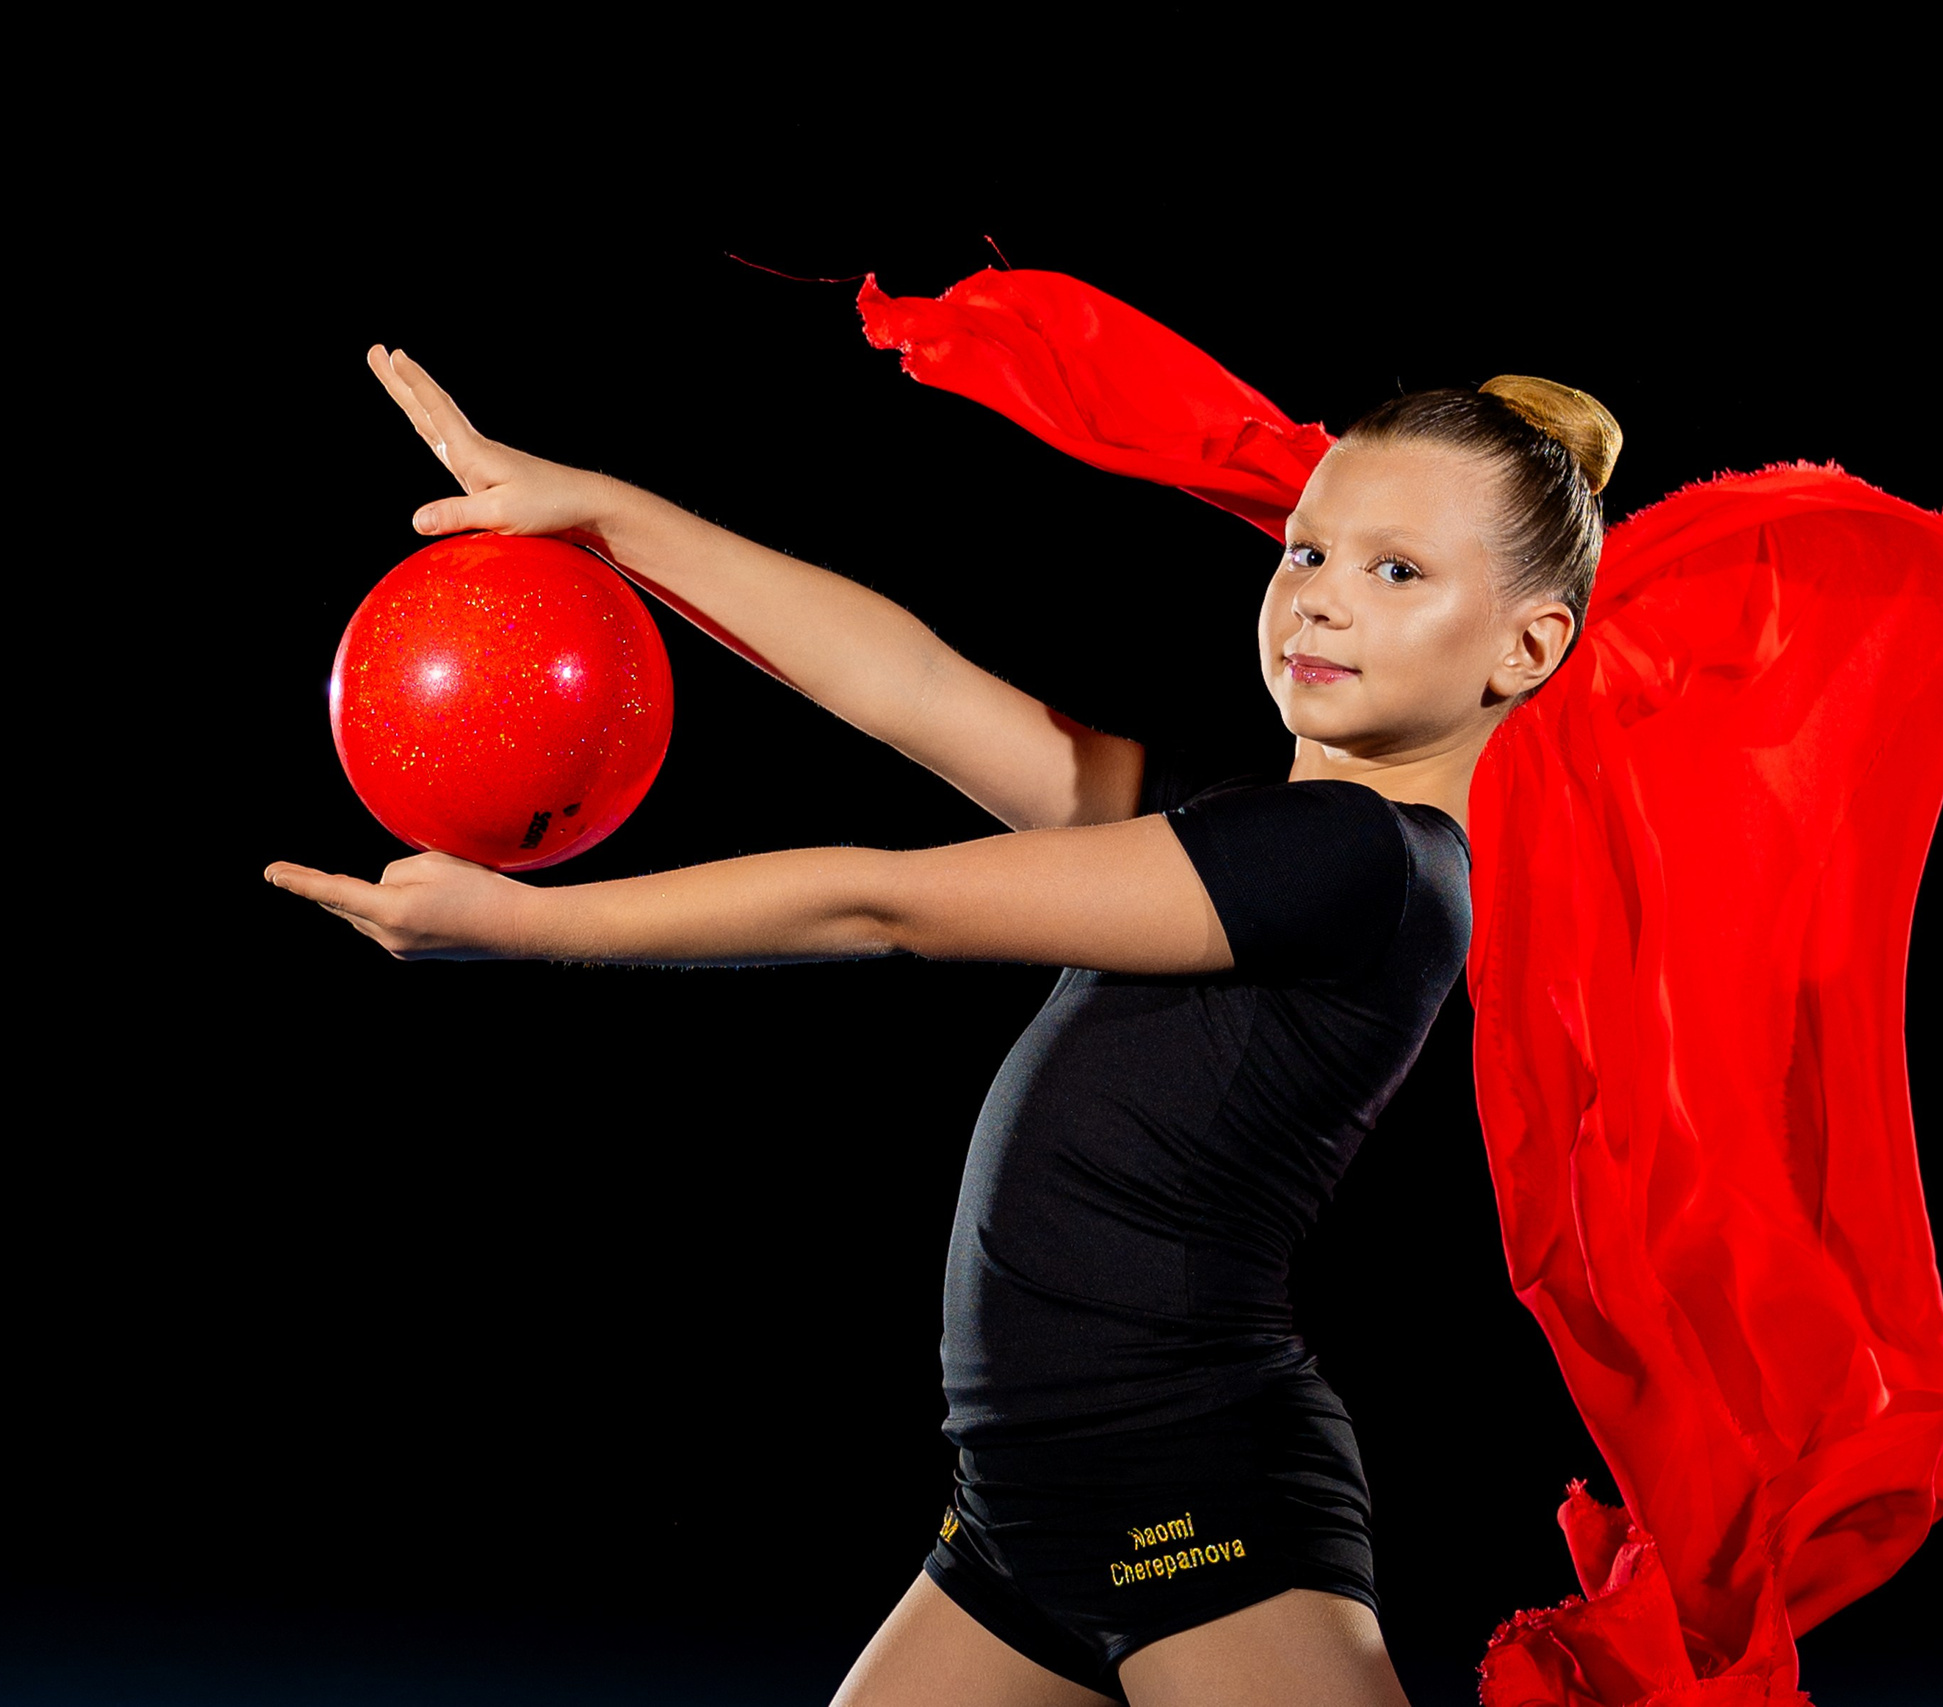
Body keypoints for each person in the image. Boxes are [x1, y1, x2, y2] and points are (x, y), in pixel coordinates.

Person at [267, 345, 1625, 1707]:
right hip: (1022, 1505)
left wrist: (530, 928)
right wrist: (604, 515)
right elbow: (912, 686)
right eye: (1304, 552)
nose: (1321, 602)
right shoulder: (1249, 828)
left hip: (1189, 1491)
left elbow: (886, 907)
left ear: (1530, 644)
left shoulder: (1358, 867)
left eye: (1397, 573)